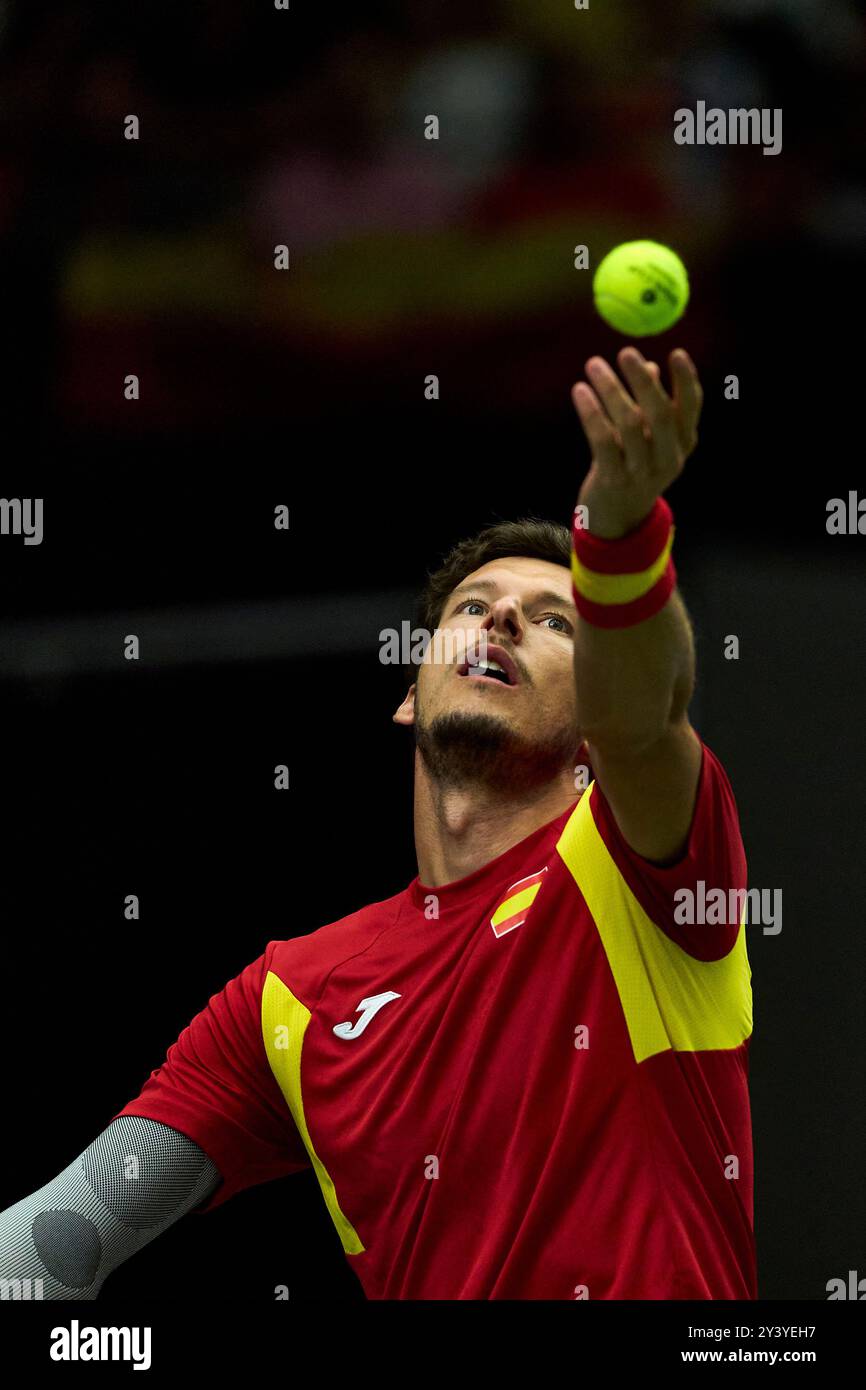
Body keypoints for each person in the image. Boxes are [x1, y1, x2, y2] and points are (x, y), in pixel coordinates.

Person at [0, 345, 755, 1300]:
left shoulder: (640, 875)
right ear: (410, 692)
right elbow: (59, 1237)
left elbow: (647, 716)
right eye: (475, 606)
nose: (504, 623)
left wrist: (617, 535)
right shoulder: (288, 999)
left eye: (557, 621)